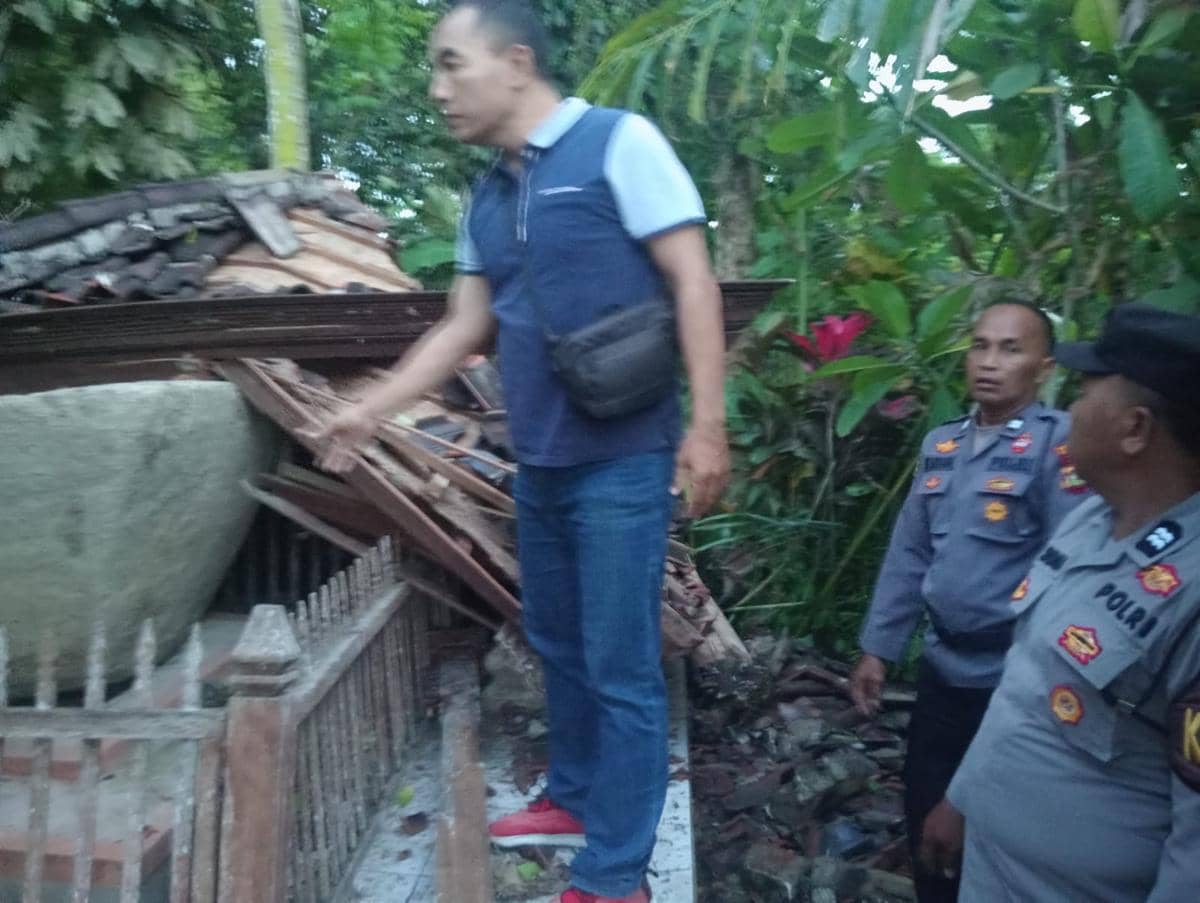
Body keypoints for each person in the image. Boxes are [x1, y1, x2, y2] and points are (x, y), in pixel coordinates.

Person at [312, 2, 730, 901]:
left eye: (450, 64)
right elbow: (463, 325)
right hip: (540, 458)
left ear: (515, 61)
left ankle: (616, 875)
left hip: (623, 457)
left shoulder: (619, 144)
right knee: (559, 641)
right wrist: (368, 410)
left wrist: (708, 426)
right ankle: (573, 796)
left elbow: (693, 280)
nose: (437, 88)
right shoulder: (488, 197)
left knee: (621, 666)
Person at [921, 302, 1200, 901]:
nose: (1069, 409)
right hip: (993, 870)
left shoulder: (1192, 594)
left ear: (1135, 429)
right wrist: (963, 798)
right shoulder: (1091, 520)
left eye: (1086, 392)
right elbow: (1023, 686)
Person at [848, 300, 1089, 903]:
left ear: (1045, 368)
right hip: (942, 668)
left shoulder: (1057, 444)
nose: (990, 361)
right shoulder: (943, 444)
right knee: (925, 809)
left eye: (1010, 349)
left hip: (1014, 678)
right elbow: (910, 553)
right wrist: (878, 648)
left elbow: (1070, 561)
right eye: (980, 346)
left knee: (998, 827)